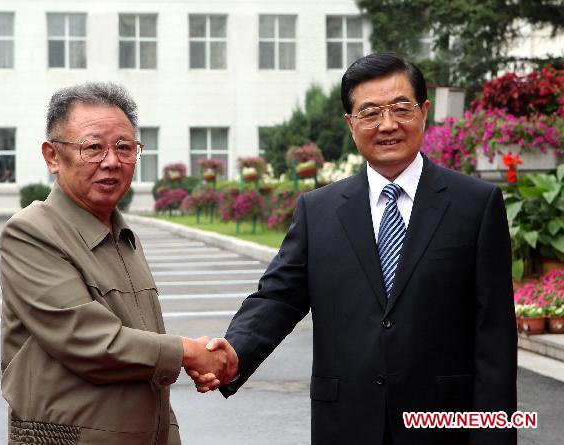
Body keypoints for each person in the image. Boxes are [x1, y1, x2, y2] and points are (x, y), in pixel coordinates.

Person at [204, 53, 517, 444]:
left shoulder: (475, 205)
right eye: (370, 112)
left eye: (401, 108)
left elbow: (495, 338)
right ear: (350, 124)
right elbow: (279, 298)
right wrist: (232, 352)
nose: (388, 124)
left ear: (424, 111)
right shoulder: (318, 211)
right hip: (346, 424)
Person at [0, 82, 236, 445]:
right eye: (93, 147)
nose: (111, 161)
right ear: (52, 156)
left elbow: (144, 355)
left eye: (124, 147)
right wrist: (188, 353)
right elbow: (90, 341)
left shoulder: (123, 236)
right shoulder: (31, 233)